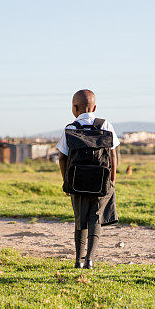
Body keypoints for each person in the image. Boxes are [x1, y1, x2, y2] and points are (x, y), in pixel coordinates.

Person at [56, 89, 120, 269]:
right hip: (101, 182)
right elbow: (113, 155)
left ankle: (78, 260)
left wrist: (67, 182)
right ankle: (90, 260)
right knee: (95, 218)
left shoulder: (70, 128)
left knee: (80, 219)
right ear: (95, 107)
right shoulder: (105, 124)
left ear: (74, 108)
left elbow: (62, 158)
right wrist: (112, 180)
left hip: (76, 182)